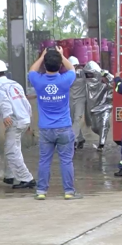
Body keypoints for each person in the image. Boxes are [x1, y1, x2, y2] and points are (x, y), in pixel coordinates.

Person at [28, 47, 80, 200]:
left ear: (44, 64)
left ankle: (41, 191)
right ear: (60, 65)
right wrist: (62, 55)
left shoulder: (38, 80)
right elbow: (71, 68)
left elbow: (32, 69)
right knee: (66, 161)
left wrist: (42, 56)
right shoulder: (65, 80)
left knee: (44, 160)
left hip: (45, 129)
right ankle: (69, 192)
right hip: (64, 127)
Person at [0, 59, 35, 189]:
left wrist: (6, 114)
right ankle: (10, 175)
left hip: (15, 120)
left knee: (11, 151)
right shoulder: (14, 84)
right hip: (24, 118)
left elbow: (3, 101)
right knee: (14, 147)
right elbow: (25, 102)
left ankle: (26, 178)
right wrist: (29, 118)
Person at [68, 56, 88, 150]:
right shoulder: (67, 75)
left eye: (74, 65)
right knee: (72, 119)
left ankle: (73, 140)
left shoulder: (83, 73)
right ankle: (80, 138)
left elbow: (93, 76)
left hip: (80, 99)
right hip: (71, 99)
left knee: (77, 118)